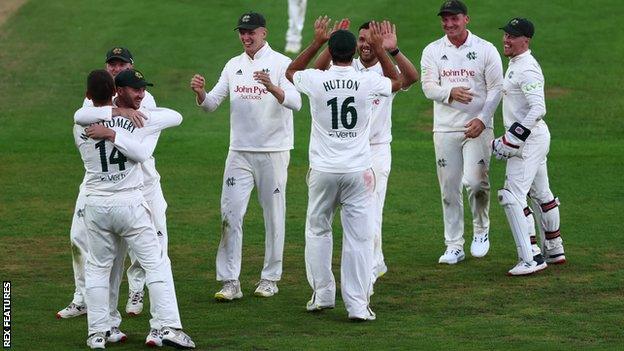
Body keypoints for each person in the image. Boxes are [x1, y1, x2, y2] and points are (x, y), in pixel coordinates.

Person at [286, 17, 401, 320]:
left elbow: (292, 71)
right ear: (353, 53)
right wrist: (381, 49)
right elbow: (397, 82)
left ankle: (323, 294)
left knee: (317, 230)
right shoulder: (366, 81)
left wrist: (317, 42)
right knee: (359, 239)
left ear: (332, 51)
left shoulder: (317, 79)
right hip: (357, 172)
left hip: (323, 170)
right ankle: (358, 306)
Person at [74, 69, 194, 349]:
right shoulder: (141, 120)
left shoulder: (80, 123)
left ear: (89, 95)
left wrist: (110, 121)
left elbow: (81, 115)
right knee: (156, 263)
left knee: (99, 268)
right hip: (129, 203)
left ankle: (98, 332)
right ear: (116, 92)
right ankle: (168, 327)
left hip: (95, 203)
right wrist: (117, 128)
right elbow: (171, 123)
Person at [190, 11, 301, 301]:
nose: (246, 36)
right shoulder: (233, 65)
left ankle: (269, 278)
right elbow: (212, 104)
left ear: (264, 33)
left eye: (251, 31)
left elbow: (296, 102)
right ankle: (230, 281)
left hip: (273, 152)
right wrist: (201, 94)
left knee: (273, 216)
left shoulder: (281, 63)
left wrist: (272, 87)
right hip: (238, 152)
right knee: (230, 214)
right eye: (242, 31)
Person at [314, 20, 419, 279]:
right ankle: (377, 260)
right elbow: (317, 71)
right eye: (361, 40)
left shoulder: (386, 69)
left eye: (371, 40)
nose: (366, 45)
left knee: (372, 208)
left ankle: (370, 268)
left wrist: (391, 51)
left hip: (376, 149)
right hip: (348, 149)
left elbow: (411, 78)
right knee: (360, 210)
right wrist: (333, 40)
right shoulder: (347, 67)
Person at [58, 47, 155, 321]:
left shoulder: (141, 95)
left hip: (139, 179)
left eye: (121, 64)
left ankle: (136, 291)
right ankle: (83, 298)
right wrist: (118, 111)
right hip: (96, 181)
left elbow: (158, 124)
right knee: (78, 238)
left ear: (130, 66)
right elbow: (81, 115)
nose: (116, 69)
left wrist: (115, 119)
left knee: (145, 242)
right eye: (112, 65)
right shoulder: (96, 97)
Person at [420, 0, 503, 264]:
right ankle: (454, 244)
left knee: (476, 182)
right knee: (448, 189)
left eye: (454, 18)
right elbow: (428, 87)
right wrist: (449, 92)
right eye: (445, 19)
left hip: (477, 127)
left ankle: (481, 229)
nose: (449, 24)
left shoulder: (485, 50)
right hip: (445, 128)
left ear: (466, 19)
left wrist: (482, 119)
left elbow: (496, 89)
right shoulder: (432, 50)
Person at [493, 17, 566, 275]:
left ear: (526, 40)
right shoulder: (515, 64)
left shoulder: (527, 69)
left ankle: (531, 258)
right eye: (505, 34)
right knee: (542, 194)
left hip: (528, 141)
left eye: (512, 36)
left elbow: (539, 107)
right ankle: (554, 249)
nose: (506, 39)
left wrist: (513, 137)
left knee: (511, 195)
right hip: (534, 138)